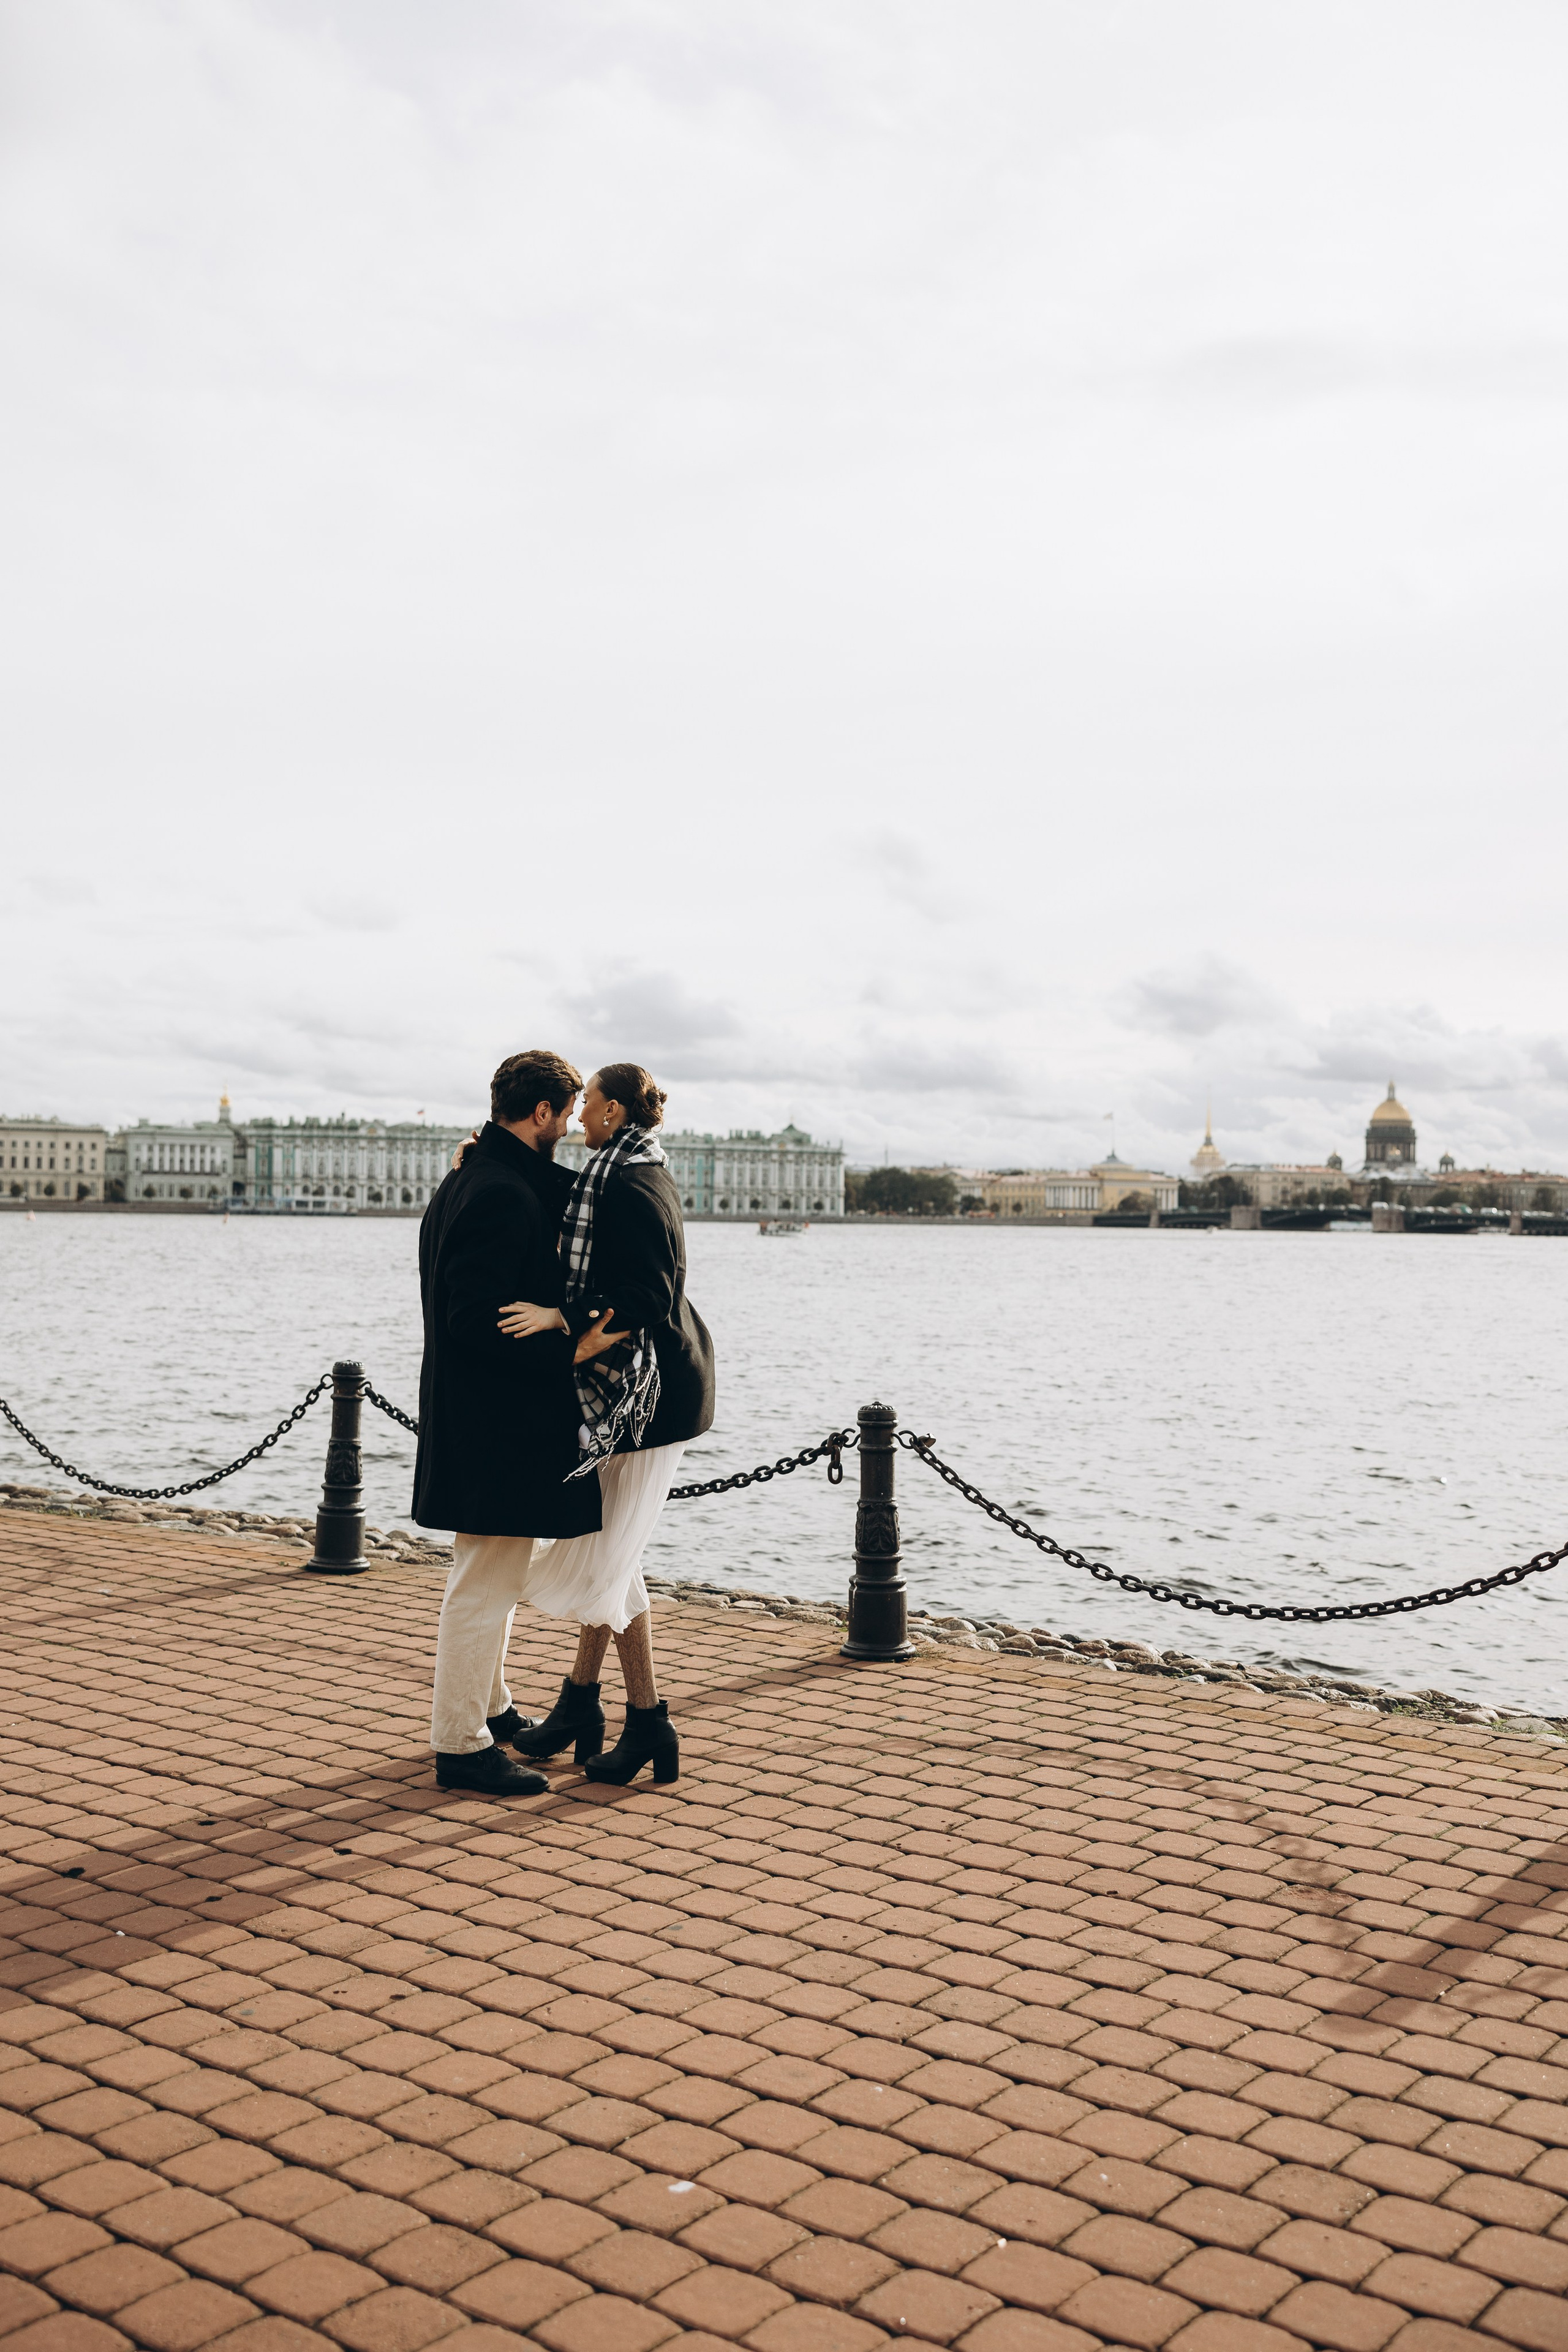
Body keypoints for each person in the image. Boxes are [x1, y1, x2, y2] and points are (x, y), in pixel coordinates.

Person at [492, 1062, 715, 1786]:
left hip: (651, 1394)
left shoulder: (632, 1179)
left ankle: (645, 1720)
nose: (578, 1113)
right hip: (634, 1389)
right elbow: (576, 1209)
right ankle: (586, 1707)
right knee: (612, 1553)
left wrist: (565, 1322)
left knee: (610, 1553)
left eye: (587, 1102)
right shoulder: (618, 1169)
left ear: (614, 1109)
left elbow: (649, 1293)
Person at [413, 1047, 608, 1795]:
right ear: (540, 1114)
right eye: (564, 1115)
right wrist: (567, 1346)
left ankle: (492, 1714)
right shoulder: (497, 1191)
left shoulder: (473, 1176)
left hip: (475, 1416)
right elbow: (472, 1319)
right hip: (497, 1424)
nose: (567, 1127)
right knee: (484, 1586)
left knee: (483, 1573)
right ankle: (460, 1746)